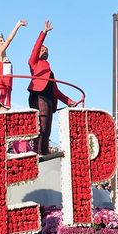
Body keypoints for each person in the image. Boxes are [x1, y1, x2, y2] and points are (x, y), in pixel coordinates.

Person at [27, 20, 79, 155]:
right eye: (42, 49)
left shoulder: (50, 72)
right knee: (41, 124)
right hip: (39, 95)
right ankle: (36, 151)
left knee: (48, 127)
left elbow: (56, 91)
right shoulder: (34, 63)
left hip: (49, 98)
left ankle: (44, 151)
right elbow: (36, 48)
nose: (44, 50)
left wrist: (69, 101)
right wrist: (44, 32)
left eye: (46, 50)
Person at [0, 20, 27, 111]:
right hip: (0, 87)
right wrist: (18, 25)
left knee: (2, 115)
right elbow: (9, 39)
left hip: (7, 87)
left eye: (3, 41)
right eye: (0, 41)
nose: (3, 42)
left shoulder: (5, 58)